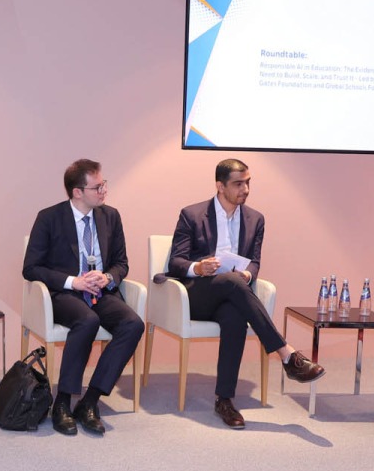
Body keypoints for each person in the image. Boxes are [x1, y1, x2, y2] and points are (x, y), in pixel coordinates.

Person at [164, 158, 325, 429]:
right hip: (196, 295)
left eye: (248, 182)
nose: (246, 189)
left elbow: (254, 262)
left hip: (231, 293)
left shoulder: (255, 219)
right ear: (220, 186)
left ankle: (224, 400)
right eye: (238, 183)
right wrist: (200, 267)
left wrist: (249, 274)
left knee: (235, 316)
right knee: (230, 281)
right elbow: (175, 263)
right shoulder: (191, 215)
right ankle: (287, 354)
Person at [22, 159, 143, 436]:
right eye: (97, 186)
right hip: (66, 293)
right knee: (87, 321)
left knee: (133, 324)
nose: (104, 191)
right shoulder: (49, 217)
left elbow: (122, 262)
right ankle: (62, 403)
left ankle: (90, 401)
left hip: (101, 292)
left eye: (104, 184)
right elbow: (30, 268)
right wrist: (73, 281)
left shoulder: (111, 216)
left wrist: (108, 277)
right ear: (78, 192)